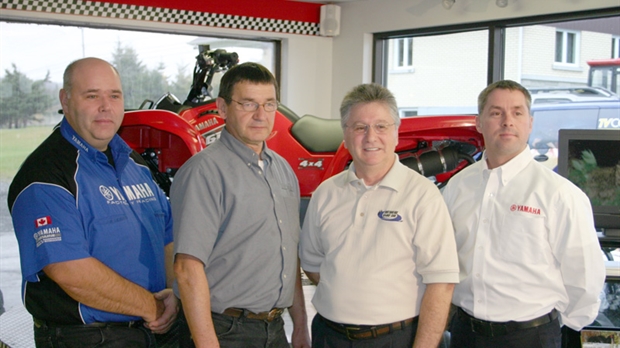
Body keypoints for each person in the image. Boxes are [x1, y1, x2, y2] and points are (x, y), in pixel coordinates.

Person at [7, 57, 177, 347]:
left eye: (114, 95)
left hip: (156, 328)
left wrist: (175, 293)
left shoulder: (135, 164)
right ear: (66, 99)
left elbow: (167, 238)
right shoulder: (46, 175)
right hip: (89, 337)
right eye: (92, 95)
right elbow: (72, 273)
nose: (105, 106)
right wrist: (152, 307)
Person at [442, 80, 606, 348]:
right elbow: (446, 257)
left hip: (531, 337)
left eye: (517, 113)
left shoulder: (560, 194)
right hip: (465, 334)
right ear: (479, 123)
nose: (507, 121)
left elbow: (584, 276)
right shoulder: (458, 186)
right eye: (496, 113)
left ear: (529, 122)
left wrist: (560, 326)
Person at [299, 83, 459, 348]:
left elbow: (441, 285)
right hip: (329, 337)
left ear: (396, 133)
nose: (370, 137)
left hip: (397, 339)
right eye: (360, 127)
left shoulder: (423, 196)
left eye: (381, 126)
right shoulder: (325, 194)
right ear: (346, 134)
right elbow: (313, 266)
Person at [171, 62, 311, 348]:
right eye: (248, 104)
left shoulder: (283, 170)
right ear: (222, 108)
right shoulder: (204, 172)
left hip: (273, 329)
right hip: (224, 331)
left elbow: (288, 256)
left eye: (269, 104)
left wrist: (299, 326)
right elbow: (187, 269)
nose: (261, 115)